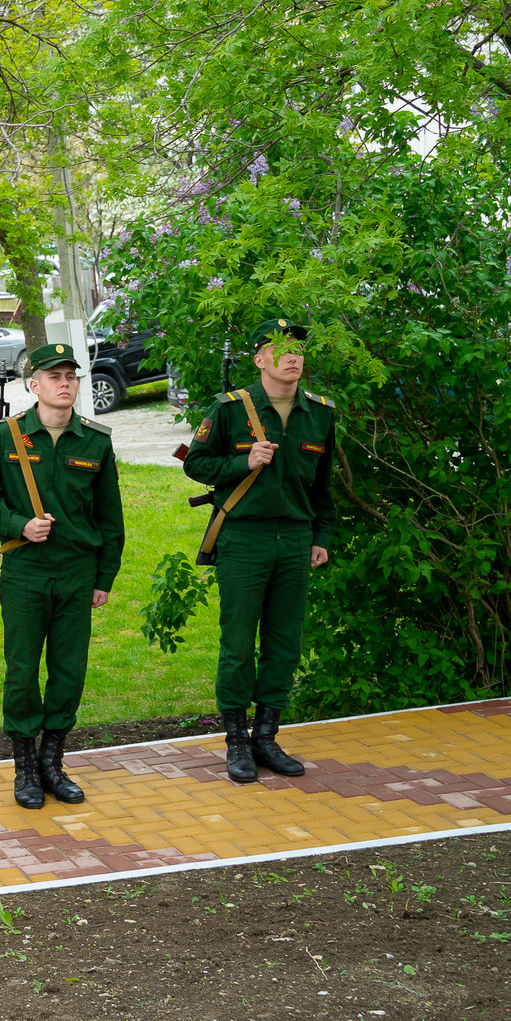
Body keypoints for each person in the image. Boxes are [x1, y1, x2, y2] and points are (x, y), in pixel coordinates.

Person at [181, 317, 338, 784]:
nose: (293, 355)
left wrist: (321, 537)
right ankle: (236, 741)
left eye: (298, 348)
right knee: (238, 643)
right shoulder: (231, 408)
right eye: (281, 347)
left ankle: (266, 737)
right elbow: (196, 463)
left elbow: (323, 486)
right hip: (244, 538)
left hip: (294, 539)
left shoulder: (320, 412)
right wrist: (241, 462)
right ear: (259, 358)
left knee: (284, 642)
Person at [0, 342, 125, 809]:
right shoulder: (7, 437)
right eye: (55, 376)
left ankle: (52, 762)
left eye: (71, 377)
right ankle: (24, 769)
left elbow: (110, 518)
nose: (65, 383)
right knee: (21, 670)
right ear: (34, 384)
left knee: (69, 670)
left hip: (78, 572)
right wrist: (19, 525)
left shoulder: (96, 440)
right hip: (26, 572)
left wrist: (105, 577)